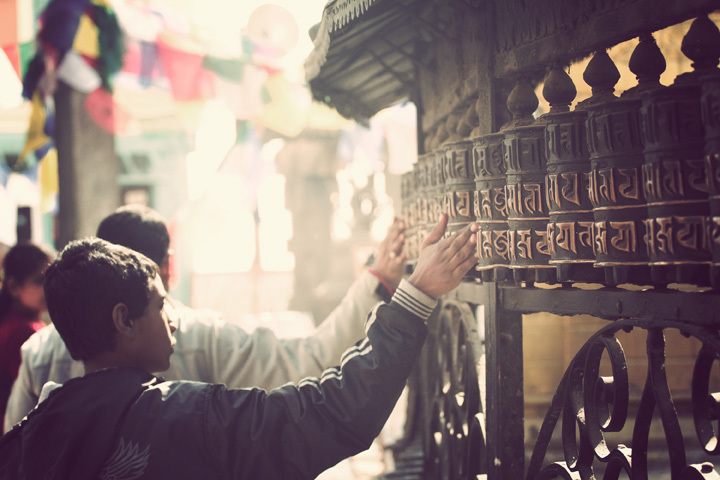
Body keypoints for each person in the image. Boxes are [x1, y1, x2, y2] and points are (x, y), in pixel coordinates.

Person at [0, 214, 478, 479]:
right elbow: (332, 411)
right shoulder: (183, 417)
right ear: (123, 320)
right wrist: (414, 298)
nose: (171, 319)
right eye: (160, 305)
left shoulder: (29, 436)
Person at [4, 204, 407, 430]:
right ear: (165, 267)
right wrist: (388, 291)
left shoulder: (42, 352)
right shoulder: (198, 339)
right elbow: (310, 361)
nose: (172, 322)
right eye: (161, 306)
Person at [0, 242, 53, 430]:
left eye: (51, 278)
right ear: (14, 286)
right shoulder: (22, 332)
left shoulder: (22, 325)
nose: (48, 287)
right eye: (39, 281)